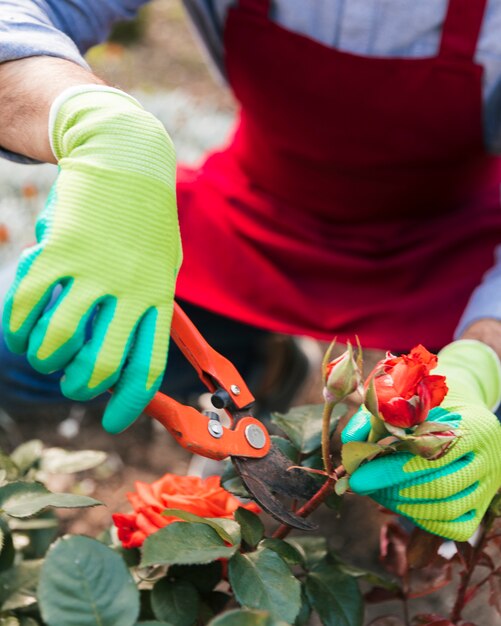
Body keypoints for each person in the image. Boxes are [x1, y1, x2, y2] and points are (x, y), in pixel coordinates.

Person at [0, 0, 500, 541]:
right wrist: (95, 121)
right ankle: (258, 362)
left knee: (455, 462)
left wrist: (480, 363)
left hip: (453, 254)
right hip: (253, 221)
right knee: (29, 352)